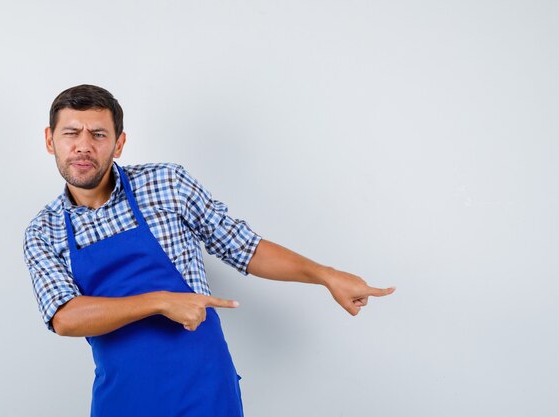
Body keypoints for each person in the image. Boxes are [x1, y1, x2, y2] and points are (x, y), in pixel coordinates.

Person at [23, 84, 395, 417]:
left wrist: (325, 275)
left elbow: (244, 247)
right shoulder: (44, 232)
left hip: (203, 390)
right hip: (123, 399)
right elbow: (65, 317)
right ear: (50, 139)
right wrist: (160, 301)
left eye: (98, 134)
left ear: (119, 143)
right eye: (71, 133)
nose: (83, 145)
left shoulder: (166, 183)